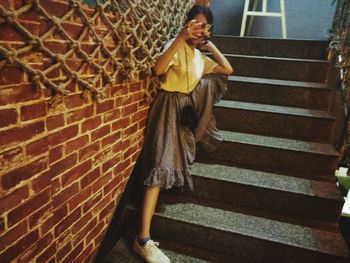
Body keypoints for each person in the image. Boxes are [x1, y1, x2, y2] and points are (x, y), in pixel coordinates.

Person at [132, 5, 233, 263]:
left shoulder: (200, 58)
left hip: (183, 111)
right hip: (167, 107)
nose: (198, 28)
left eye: (204, 25)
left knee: (169, 162)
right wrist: (181, 36)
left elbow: (227, 69)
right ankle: (142, 239)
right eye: (194, 23)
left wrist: (208, 44)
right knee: (160, 164)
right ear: (186, 23)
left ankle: (144, 235)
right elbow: (158, 69)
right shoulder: (176, 45)